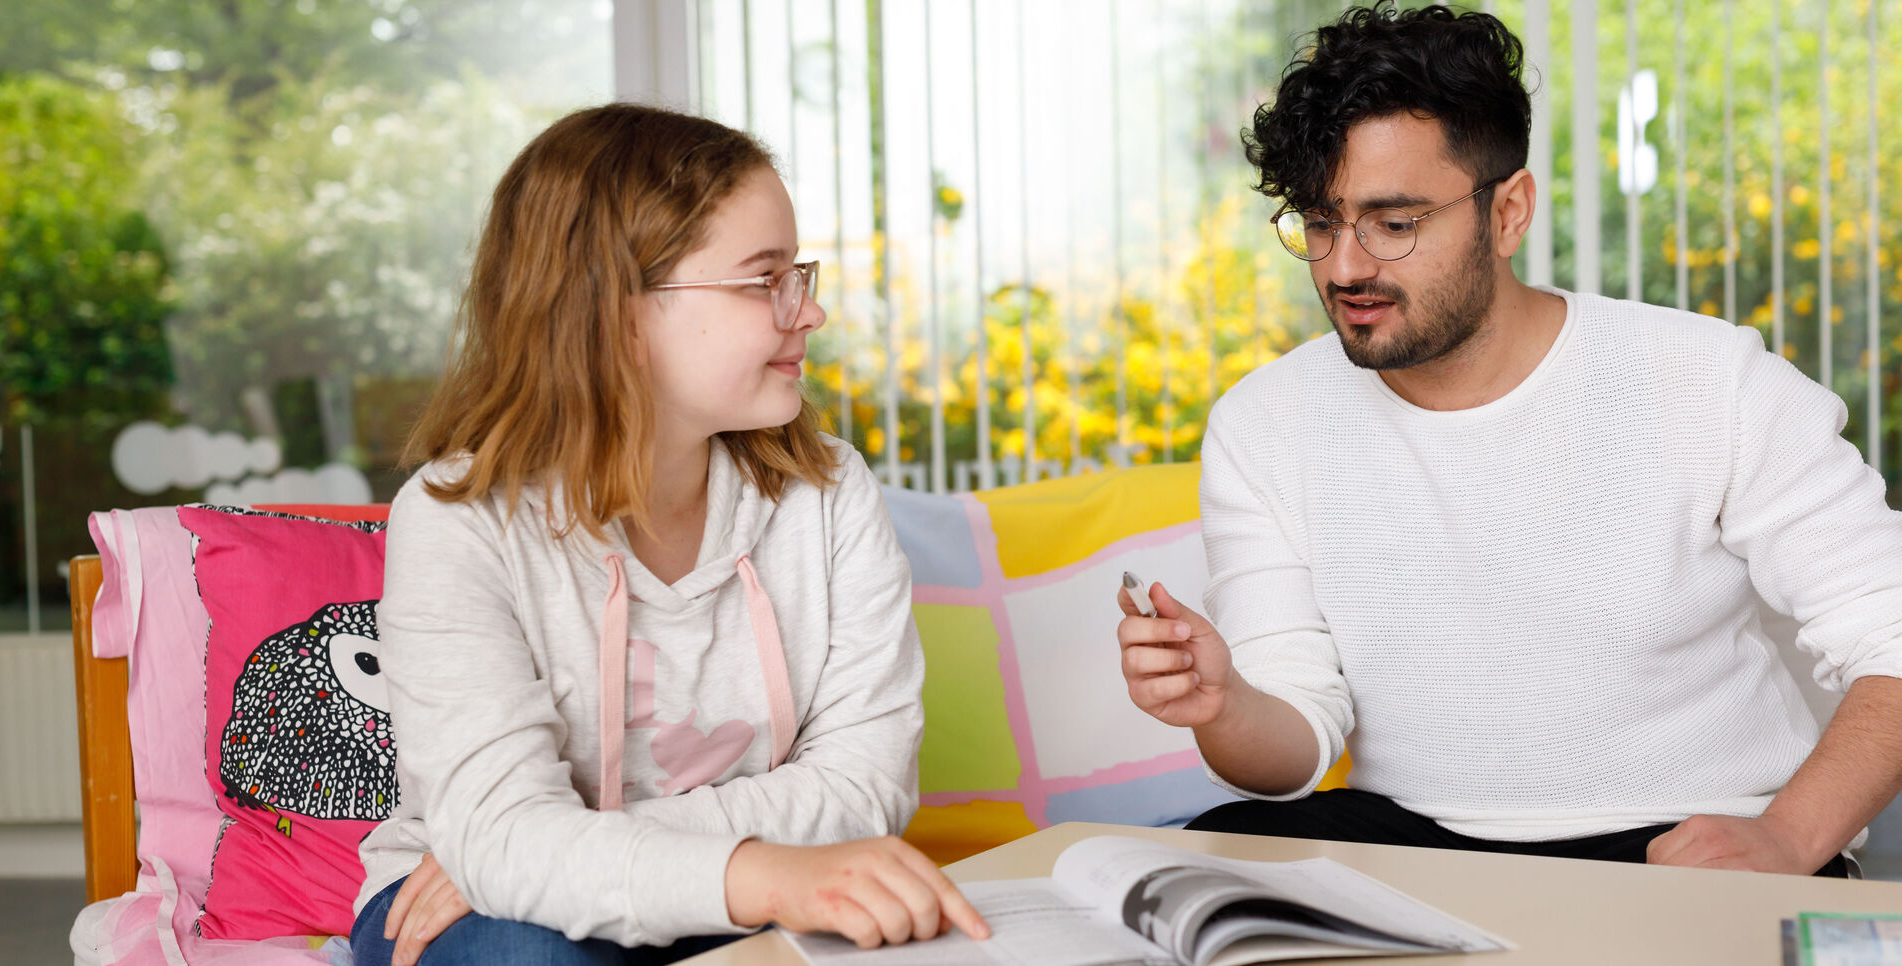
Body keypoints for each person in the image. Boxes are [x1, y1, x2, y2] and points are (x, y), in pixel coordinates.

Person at [1116, 2, 1902, 878]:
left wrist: (1790, 837)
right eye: (1321, 222)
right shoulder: (1264, 421)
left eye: (1394, 223)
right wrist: (1224, 705)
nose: (1344, 266)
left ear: (1509, 212)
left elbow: (1892, 636)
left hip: (1684, 836)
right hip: (1417, 839)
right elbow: (1292, 740)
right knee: (1207, 858)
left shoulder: (1712, 380)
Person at [351, 103, 989, 966]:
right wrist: (518, 854)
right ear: (618, 316)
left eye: (798, 275)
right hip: (484, 913)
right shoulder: (457, 522)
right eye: (764, 280)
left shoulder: (829, 492)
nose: (809, 312)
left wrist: (555, 850)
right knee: (529, 953)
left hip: (753, 889)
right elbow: (502, 842)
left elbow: (864, 789)